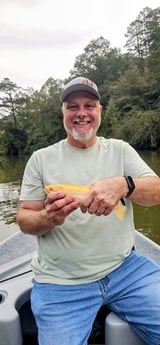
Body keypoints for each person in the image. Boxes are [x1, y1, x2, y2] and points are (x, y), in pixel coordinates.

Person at [16, 76, 160, 345]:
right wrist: (47, 218)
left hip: (127, 268)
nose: (81, 113)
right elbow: (24, 219)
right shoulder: (41, 159)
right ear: (62, 113)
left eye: (89, 105)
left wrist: (124, 185)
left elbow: (156, 191)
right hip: (60, 282)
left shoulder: (120, 150)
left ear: (99, 111)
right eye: (72, 106)